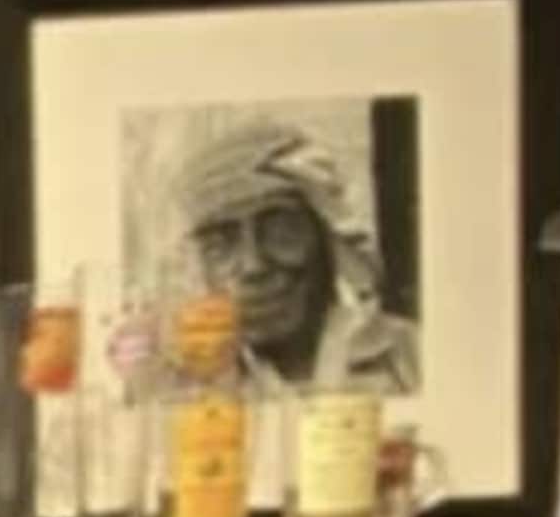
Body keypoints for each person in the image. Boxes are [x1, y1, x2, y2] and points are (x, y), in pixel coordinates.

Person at [170, 114, 421, 392]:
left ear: (327, 238)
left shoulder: (415, 358)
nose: (254, 265)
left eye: (281, 232)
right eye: (221, 245)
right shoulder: (177, 387)